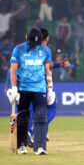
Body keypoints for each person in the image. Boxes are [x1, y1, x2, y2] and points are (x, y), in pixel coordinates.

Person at [8, 27, 52, 155]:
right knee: (23, 118)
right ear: (28, 39)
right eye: (32, 43)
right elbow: (13, 70)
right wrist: (14, 87)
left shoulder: (45, 50)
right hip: (23, 88)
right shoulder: (19, 49)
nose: (34, 46)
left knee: (41, 117)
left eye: (36, 44)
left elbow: (47, 70)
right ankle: (21, 145)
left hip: (39, 88)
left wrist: (50, 89)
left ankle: (40, 147)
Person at [27, 28, 71, 147]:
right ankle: (39, 131)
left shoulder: (25, 48)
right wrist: (61, 64)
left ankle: (29, 133)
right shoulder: (45, 49)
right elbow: (48, 67)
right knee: (51, 107)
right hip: (41, 84)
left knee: (31, 109)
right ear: (47, 38)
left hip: (25, 83)